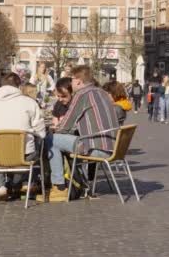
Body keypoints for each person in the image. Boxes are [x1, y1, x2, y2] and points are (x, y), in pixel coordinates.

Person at [39, 66, 119, 202]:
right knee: (60, 141)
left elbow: (65, 126)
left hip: (96, 147)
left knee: (50, 140)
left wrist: (53, 130)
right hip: (114, 146)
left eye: (71, 79)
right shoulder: (102, 92)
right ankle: (72, 182)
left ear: (78, 80)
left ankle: (59, 187)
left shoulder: (82, 94)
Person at [0, 73, 46, 199]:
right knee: (40, 147)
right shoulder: (29, 103)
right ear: (19, 86)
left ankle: (1, 186)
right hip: (25, 155)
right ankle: (26, 182)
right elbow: (41, 132)